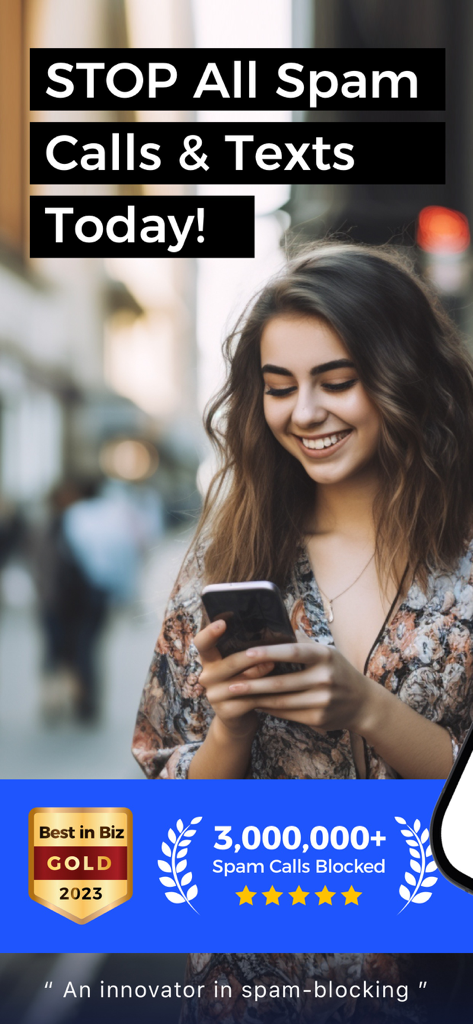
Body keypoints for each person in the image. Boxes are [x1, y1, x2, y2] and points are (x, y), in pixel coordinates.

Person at [132, 242, 473, 780]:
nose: (306, 413)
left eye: (337, 382)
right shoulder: (225, 559)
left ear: (407, 376)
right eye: (280, 388)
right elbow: (171, 806)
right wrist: (232, 727)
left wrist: (368, 708)